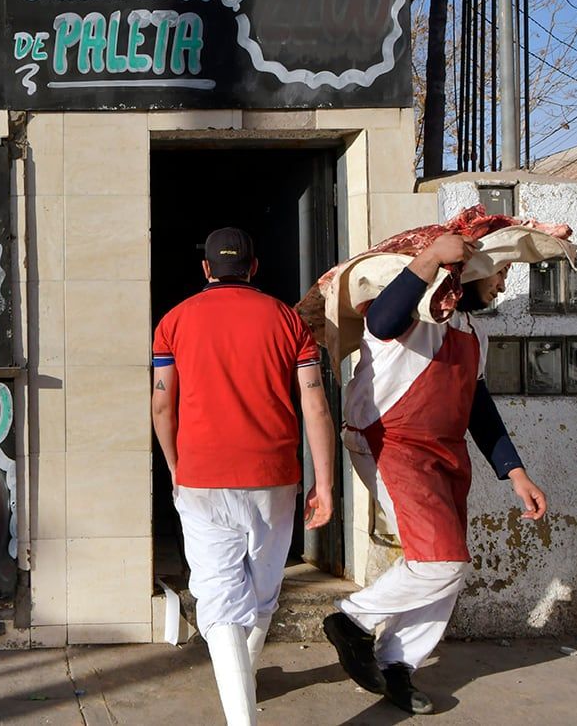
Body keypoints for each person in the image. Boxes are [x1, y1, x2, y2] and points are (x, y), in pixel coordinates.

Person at [323, 233, 548, 716]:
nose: (503, 287)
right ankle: (351, 620)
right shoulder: (415, 313)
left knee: (449, 566)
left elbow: (479, 407)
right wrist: (429, 258)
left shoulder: (473, 331)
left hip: (445, 454)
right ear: (471, 269)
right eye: (501, 273)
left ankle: (398, 664)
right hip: (390, 443)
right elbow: (382, 319)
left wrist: (515, 472)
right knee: (439, 561)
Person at [152, 227, 336, 726]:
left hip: (203, 477)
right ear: (254, 267)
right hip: (275, 477)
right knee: (260, 595)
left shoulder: (173, 322)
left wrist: (174, 465)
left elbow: (162, 403)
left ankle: (241, 711)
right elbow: (315, 403)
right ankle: (242, 684)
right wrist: (325, 482)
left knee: (221, 599)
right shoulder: (288, 322)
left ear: (207, 269)